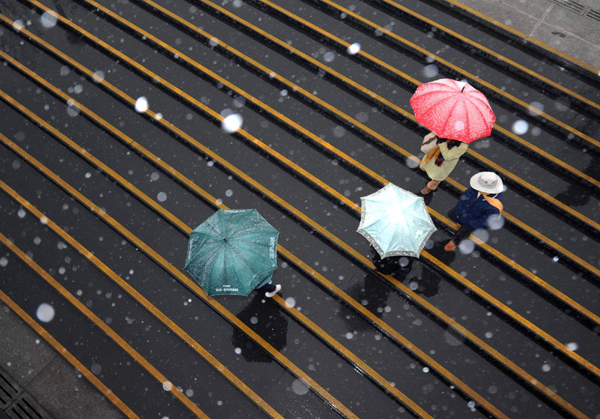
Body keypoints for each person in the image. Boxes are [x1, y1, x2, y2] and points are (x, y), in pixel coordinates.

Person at [444, 172, 504, 251]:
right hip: (463, 211)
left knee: (462, 233)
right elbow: (465, 197)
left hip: (471, 221)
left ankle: (454, 242)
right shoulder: (475, 189)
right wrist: (460, 210)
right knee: (451, 214)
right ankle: (460, 223)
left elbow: (486, 222)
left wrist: (470, 223)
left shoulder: (493, 207)